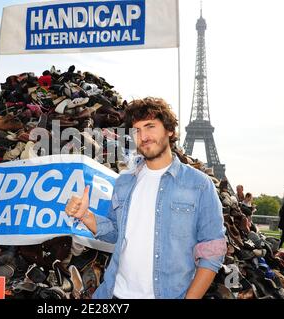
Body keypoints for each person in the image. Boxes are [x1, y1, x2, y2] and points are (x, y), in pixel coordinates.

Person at [65, 98, 226, 299]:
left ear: (169, 130)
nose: (143, 136)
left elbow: (213, 250)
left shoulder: (199, 184)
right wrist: (86, 216)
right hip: (113, 294)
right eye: (136, 131)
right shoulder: (124, 181)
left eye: (150, 126)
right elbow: (116, 233)